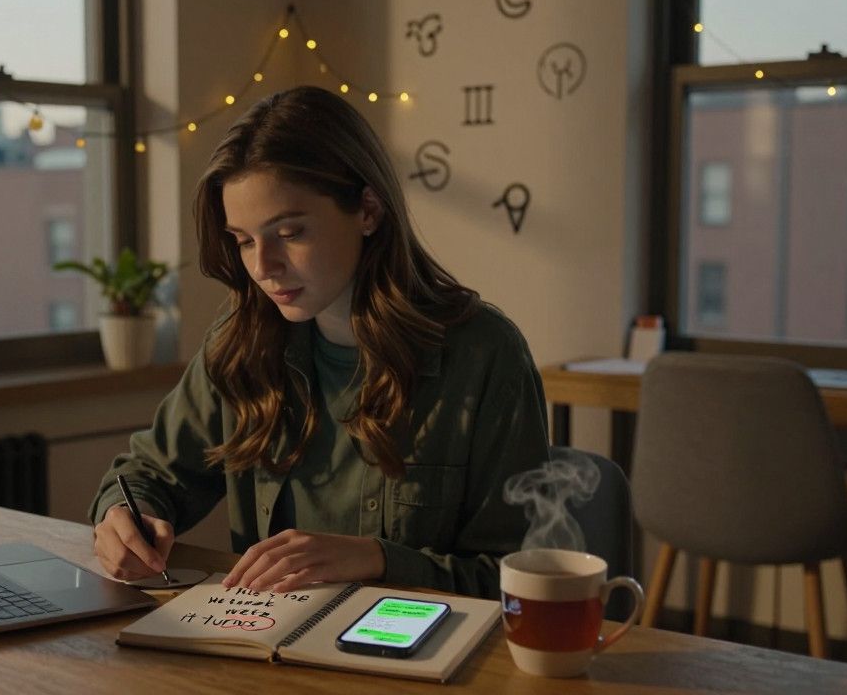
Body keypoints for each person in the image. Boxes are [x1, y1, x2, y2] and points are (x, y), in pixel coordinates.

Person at [88, 85, 548, 598]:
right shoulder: (241, 341)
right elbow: (149, 472)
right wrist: (125, 515)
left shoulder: (486, 356)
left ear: (368, 210)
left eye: (289, 233)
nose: (263, 267)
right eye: (243, 241)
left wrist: (376, 559)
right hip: (268, 646)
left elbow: (518, 581)